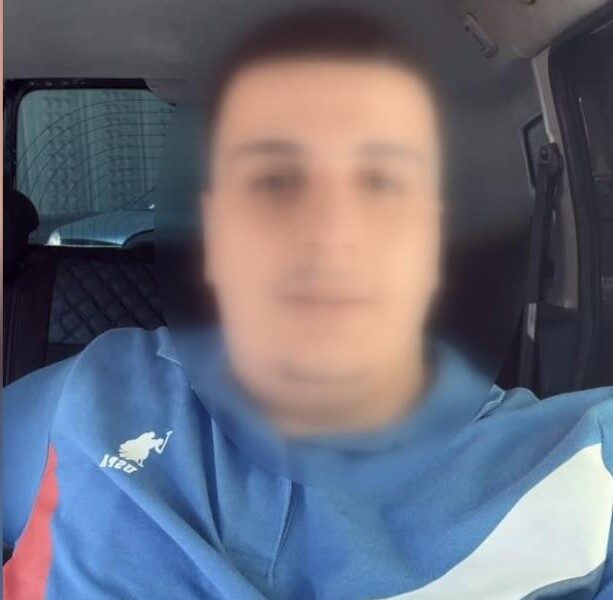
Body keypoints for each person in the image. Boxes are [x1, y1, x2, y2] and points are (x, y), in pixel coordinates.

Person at [3, 8, 613, 600]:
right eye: (276, 180)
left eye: (382, 181)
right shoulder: (99, 387)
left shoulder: (582, 467)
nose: (330, 232)